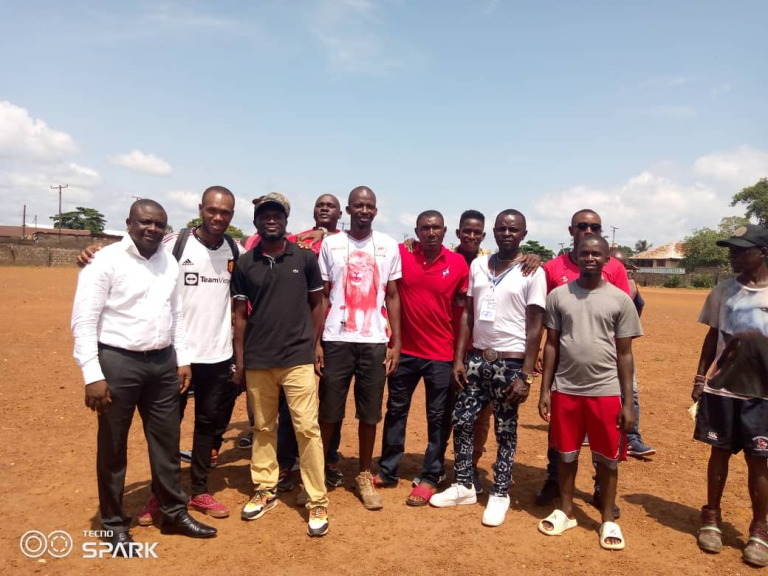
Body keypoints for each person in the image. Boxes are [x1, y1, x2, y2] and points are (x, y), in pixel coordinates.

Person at [78, 186, 244, 522]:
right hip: (174, 358)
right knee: (166, 432)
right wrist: (92, 252)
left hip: (218, 354)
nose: (217, 217)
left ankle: (198, 491)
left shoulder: (235, 249)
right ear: (200, 209)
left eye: (225, 212)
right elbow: (134, 253)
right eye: (211, 210)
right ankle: (160, 496)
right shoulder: (173, 246)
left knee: (208, 427)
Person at [430, 209, 545, 528]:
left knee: (505, 429)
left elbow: (536, 326)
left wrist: (526, 374)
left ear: (523, 234)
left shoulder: (532, 271)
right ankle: (464, 484)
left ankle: (500, 492)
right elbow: (467, 314)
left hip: (510, 362)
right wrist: (459, 359)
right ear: (493, 233)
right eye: (502, 229)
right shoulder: (480, 265)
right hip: (477, 359)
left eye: (514, 229)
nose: (507, 233)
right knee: (462, 420)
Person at [231, 193, 330, 537]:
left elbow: (317, 304)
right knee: (263, 428)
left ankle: (317, 497)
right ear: (257, 221)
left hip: (297, 358)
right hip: (259, 359)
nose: (271, 219)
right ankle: (265, 489)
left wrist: (314, 342)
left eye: (277, 215)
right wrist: (241, 362)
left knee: (307, 429)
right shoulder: (245, 264)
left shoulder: (303, 259)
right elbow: (239, 316)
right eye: (264, 215)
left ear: (286, 222)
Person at [537, 235, 641, 551]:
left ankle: (608, 517)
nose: (590, 258)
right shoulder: (558, 296)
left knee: (608, 460)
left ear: (608, 258)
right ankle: (567, 511)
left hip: (606, 392)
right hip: (565, 389)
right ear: (576, 256)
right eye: (584, 253)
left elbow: (625, 354)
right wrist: (545, 390)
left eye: (597, 253)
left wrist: (628, 401)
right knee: (566, 455)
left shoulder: (620, 300)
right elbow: (551, 345)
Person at [316, 185, 402, 510]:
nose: (364, 210)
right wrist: (317, 343)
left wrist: (396, 342)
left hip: (374, 342)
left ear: (375, 211)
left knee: (370, 414)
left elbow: (392, 295)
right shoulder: (331, 244)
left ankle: (364, 474)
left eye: (369, 206)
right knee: (328, 412)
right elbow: (323, 295)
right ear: (348, 210)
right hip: (336, 341)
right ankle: (318, 474)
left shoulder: (388, 246)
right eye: (358, 205)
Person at [375, 210, 469, 506]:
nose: (431, 232)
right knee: (396, 411)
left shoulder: (458, 264)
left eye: (436, 228)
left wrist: (459, 357)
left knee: (438, 417)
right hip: (404, 352)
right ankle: (388, 470)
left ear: (445, 231)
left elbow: (463, 311)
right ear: (416, 230)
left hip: (441, 354)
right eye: (425, 227)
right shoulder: (401, 255)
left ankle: (430, 475)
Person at [692, 224, 768, 567]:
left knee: (759, 462)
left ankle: (759, 529)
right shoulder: (723, 292)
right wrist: (699, 377)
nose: (733, 255)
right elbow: (713, 337)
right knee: (718, 453)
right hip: (722, 389)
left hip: (762, 395)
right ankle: (711, 517)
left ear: (762, 253)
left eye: (740, 250)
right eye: (731, 250)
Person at [276, 194, 345, 497]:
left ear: (340, 212)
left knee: (332, 398)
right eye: (320, 205)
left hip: (336, 331)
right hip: (297, 327)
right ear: (314, 211)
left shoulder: (346, 241)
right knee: (291, 400)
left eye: (331, 206)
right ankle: (286, 462)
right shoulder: (299, 240)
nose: (325, 209)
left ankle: (328, 458)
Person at [609, 248, 655, 458]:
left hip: (620, 349)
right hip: (596, 349)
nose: (621, 268)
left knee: (630, 391)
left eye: (624, 265)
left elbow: (639, 308)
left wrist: (627, 332)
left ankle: (632, 438)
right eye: (616, 263)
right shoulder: (591, 284)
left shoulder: (631, 286)